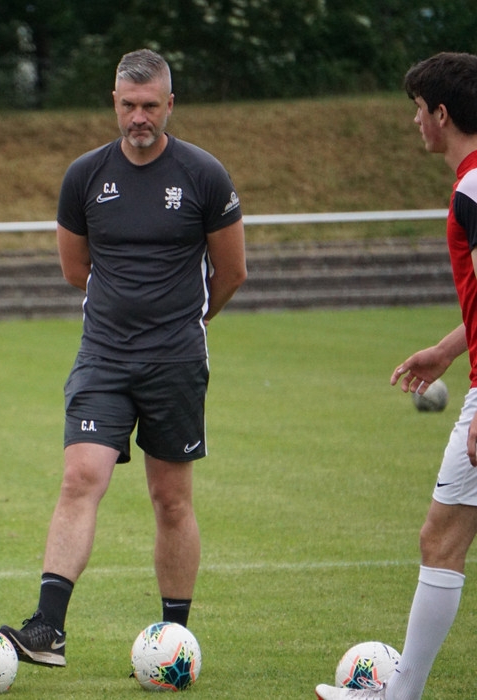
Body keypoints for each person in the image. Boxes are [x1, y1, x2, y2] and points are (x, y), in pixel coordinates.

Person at [0, 48, 247, 668]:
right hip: (103, 358)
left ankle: (174, 639)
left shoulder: (204, 174)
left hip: (175, 362)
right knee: (80, 477)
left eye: (151, 106)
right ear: (114, 102)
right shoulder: (84, 176)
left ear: (170, 105)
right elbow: (74, 268)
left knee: (171, 499)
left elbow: (232, 270)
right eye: (129, 105)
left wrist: (190, 320)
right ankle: (47, 629)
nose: (140, 117)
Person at [314, 52, 477, 700]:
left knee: (442, 538)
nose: (415, 122)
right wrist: (448, 348)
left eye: (417, 109)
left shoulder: (472, 188)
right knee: (442, 537)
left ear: (442, 113)